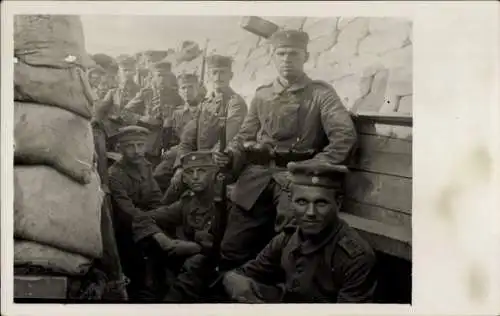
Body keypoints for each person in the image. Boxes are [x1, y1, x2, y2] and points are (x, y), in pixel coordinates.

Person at [212, 29, 358, 271]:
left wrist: (309, 168)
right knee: (232, 248)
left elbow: (344, 137)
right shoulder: (262, 95)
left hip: (298, 179)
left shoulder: (320, 94)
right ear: (272, 56)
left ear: (306, 57)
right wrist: (229, 153)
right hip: (258, 177)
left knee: (293, 245)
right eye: (281, 53)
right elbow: (244, 136)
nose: (287, 59)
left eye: (294, 54)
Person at [222, 161, 377, 303]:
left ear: (338, 203)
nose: (310, 212)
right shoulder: (288, 238)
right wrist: (236, 282)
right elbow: (245, 272)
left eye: (321, 203)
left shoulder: (355, 257)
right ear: (291, 202)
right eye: (302, 202)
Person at [132, 151, 220, 302]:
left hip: (216, 262)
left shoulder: (224, 202)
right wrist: (165, 241)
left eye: (201, 171)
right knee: (151, 241)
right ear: (184, 178)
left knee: (196, 262)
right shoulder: (187, 202)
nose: (195, 177)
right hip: (192, 258)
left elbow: (234, 246)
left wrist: (198, 248)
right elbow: (142, 218)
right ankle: (152, 292)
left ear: (214, 174)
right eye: (190, 172)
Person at [167, 54, 248, 203]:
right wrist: (180, 165)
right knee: (166, 177)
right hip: (197, 161)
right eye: (214, 72)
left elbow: (230, 134)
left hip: (219, 163)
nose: (218, 77)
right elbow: (188, 138)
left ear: (231, 75)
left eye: (222, 72)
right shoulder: (205, 103)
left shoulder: (235, 103)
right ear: (209, 76)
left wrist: (201, 162)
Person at [107, 125, 165, 300]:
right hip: (125, 228)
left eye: (140, 145)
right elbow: (127, 211)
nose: (137, 151)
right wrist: (153, 226)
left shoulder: (145, 166)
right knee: (134, 263)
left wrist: (162, 217)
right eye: (130, 146)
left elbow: (156, 197)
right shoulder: (115, 174)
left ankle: (159, 285)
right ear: (120, 148)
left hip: (144, 220)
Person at [121, 61, 184, 167]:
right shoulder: (146, 93)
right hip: (148, 142)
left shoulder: (177, 97)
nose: (163, 79)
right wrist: (143, 118)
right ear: (153, 77)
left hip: (167, 142)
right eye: (159, 75)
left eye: (166, 76)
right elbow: (124, 112)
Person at [153, 73, 203, 193]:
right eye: (183, 88)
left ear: (199, 88)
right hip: (180, 155)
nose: (187, 91)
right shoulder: (177, 113)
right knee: (158, 175)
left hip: (200, 154)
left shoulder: (206, 109)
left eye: (191, 87)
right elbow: (174, 138)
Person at [97, 56, 141, 150]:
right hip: (114, 133)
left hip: (135, 133)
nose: (127, 73)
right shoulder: (113, 92)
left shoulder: (141, 92)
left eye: (130, 70)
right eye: (124, 70)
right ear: (119, 73)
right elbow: (100, 112)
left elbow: (145, 114)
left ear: (134, 72)